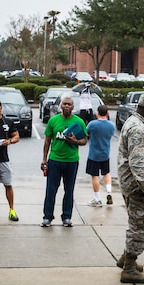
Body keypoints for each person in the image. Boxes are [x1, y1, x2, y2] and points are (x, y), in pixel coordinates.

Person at [117, 93, 144, 284]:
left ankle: (126, 258)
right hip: (137, 186)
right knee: (141, 225)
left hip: (130, 182)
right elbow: (138, 163)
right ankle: (129, 268)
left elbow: (139, 155)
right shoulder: (138, 128)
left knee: (135, 222)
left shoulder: (135, 122)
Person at [40, 96, 88, 227]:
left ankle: (67, 217)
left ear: (73, 107)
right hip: (55, 160)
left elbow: (85, 140)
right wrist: (44, 159)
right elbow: (47, 141)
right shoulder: (53, 121)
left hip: (71, 161)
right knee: (51, 190)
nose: (66, 106)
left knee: (69, 190)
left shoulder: (79, 122)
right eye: (65, 104)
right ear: (61, 106)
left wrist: (76, 142)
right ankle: (47, 217)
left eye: (69, 104)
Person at [86, 105, 115, 207]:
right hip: (105, 154)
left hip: (94, 154)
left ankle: (97, 199)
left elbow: (86, 133)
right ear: (107, 113)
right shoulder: (111, 126)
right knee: (106, 173)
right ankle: (109, 191)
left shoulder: (92, 124)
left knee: (95, 176)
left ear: (97, 113)